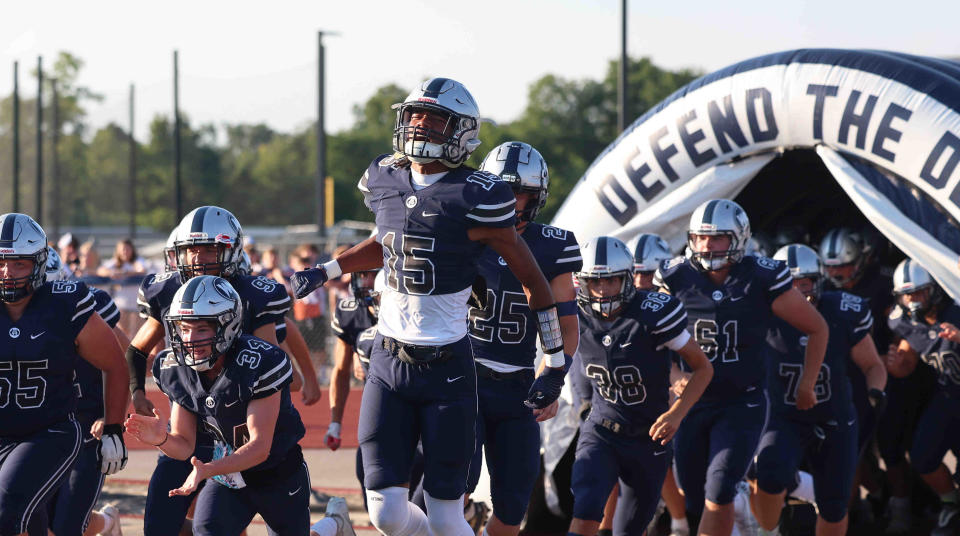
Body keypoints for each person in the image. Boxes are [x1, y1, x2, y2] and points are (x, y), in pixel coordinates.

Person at [291, 77, 570, 536]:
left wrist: (556, 364)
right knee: (385, 515)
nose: (419, 124)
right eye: (414, 114)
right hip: (387, 360)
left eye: (434, 117)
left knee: (445, 515)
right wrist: (326, 271)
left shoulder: (478, 194)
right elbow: (384, 242)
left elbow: (536, 285)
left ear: (461, 131)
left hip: (449, 370)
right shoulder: (384, 176)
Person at [654, 199, 829, 536]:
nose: (706, 245)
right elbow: (653, 339)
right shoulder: (675, 277)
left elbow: (817, 326)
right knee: (694, 495)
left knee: (719, 490)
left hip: (742, 401)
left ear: (738, 238)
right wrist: (675, 377)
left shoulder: (762, 276)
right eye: (700, 237)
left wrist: (807, 382)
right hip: (692, 403)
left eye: (717, 237)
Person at [128, 206, 299, 536]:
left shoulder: (254, 295)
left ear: (232, 250)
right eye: (192, 249)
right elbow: (137, 349)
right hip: (190, 427)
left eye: (210, 249)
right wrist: (137, 392)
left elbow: (269, 364)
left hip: (239, 433)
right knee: (162, 523)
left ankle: (332, 526)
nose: (200, 259)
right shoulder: (167, 291)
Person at [458, 141, 581, 536]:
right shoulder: (463, 233)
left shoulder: (554, 244)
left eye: (517, 191)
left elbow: (565, 328)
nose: (507, 200)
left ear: (536, 196)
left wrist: (552, 376)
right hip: (462, 379)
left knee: (513, 505)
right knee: (451, 485)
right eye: (499, 189)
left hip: (517, 386)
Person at [568, 236, 712, 536]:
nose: (602, 290)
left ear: (626, 279)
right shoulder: (573, 313)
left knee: (628, 529)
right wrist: (545, 386)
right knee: (585, 507)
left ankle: (679, 524)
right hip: (602, 430)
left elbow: (702, 367)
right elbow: (556, 355)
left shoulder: (654, 312)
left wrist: (676, 414)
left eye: (611, 281)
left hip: (648, 438)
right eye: (594, 281)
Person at [0, 213, 129, 536]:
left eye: (19, 264)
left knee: (12, 513)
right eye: (1, 262)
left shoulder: (66, 303)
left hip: (49, 431)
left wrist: (114, 426)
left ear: (40, 264)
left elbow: (116, 362)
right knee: (33, 523)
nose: (7, 273)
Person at [752, 244, 887, 536]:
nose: (798, 292)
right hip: (783, 415)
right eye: (788, 285)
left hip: (834, 417)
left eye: (804, 283)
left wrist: (876, 392)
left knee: (835, 504)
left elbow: (873, 365)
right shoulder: (759, 314)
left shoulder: (841, 311)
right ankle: (766, 530)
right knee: (770, 474)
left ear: (819, 281)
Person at [40, 248, 130, 536]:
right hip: (40, 431)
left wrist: (112, 417)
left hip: (86, 428)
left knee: (66, 524)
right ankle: (108, 523)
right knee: (37, 518)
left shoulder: (87, 306)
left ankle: (106, 522)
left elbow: (124, 359)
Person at [885, 259, 960, 536]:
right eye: (907, 294)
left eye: (919, 292)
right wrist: (898, 364)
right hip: (948, 397)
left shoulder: (956, 309)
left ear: (935, 289)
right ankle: (951, 504)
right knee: (923, 457)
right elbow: (907, 360)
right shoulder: (905, 321)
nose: (912, 299)